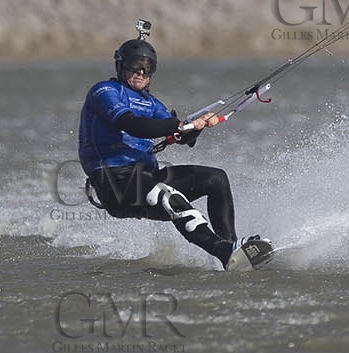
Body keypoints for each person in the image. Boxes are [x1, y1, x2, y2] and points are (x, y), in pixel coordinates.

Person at [77, 34, 274, 270]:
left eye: (147, 68)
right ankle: (223, 252)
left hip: (147, 178)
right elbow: (133, 125)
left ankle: (232, 249)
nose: (141, 72)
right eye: (134, 66)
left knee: (215, 179)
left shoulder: (151, 103)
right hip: (115, 184)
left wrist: (197, 126)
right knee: (165, 193)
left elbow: (180, 136)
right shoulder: (105, 92)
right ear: (121, 66)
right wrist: (178, 126)